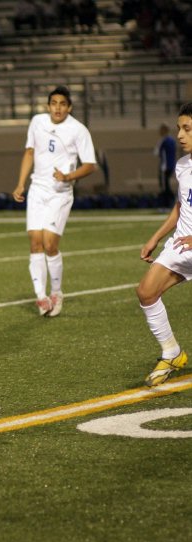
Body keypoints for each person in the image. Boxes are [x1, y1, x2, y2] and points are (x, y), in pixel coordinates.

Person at [12, 86, 97, 316]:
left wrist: (68, 176)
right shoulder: (37, 122)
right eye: (54, 103)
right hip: (38, 190)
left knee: (50, 244)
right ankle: (41, 297)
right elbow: (29, 153)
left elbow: (90, 165)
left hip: (60, 192)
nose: (57, 108)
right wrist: (21, 184)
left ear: (69, 107)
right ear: (48, 106)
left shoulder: (78, 130)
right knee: (35, 242)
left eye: (62, 104)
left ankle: (56, 292)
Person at [136, 102, 192, 386]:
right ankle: (172, 352)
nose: (180, 135)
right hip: (181, 247)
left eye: (187, 129)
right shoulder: (183, 166)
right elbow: (180, 207)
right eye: (179, 128)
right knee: (146, 291)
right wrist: (155, 237)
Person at [156, 123, 178, 202]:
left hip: (164, 167)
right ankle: (171, 201)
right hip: (171, 165)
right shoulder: (172, 140)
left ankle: (168, 202)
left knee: (164, 185)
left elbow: (156, 152)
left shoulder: (164, 140)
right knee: (166, 184)